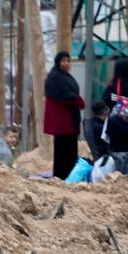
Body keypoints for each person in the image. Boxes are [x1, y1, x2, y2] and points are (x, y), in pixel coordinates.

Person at [44, 51, 85, 179]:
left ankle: (70, 174)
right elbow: (63, 95)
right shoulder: (55, 77)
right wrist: (78, 100)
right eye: (63, 61)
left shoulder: (65, 76)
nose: (66, 63)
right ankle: (62, 175)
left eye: (68, 61)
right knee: (62, 149)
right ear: (58, 62)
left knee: (70, 148)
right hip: (63, 121)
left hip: (69, 120)